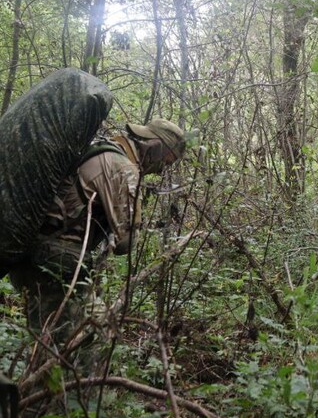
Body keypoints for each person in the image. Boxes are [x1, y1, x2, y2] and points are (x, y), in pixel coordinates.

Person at [6, 118, 186, 363]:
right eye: (166, 161)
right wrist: (136, 208)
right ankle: (51, 398)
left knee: (74, 336)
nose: (162, 170)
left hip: (31, 254)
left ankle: (57, 393)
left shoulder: (101, 147)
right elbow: (126, 244)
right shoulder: (123, 167)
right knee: (68, 346)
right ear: (155, 146)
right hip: (57, 261)